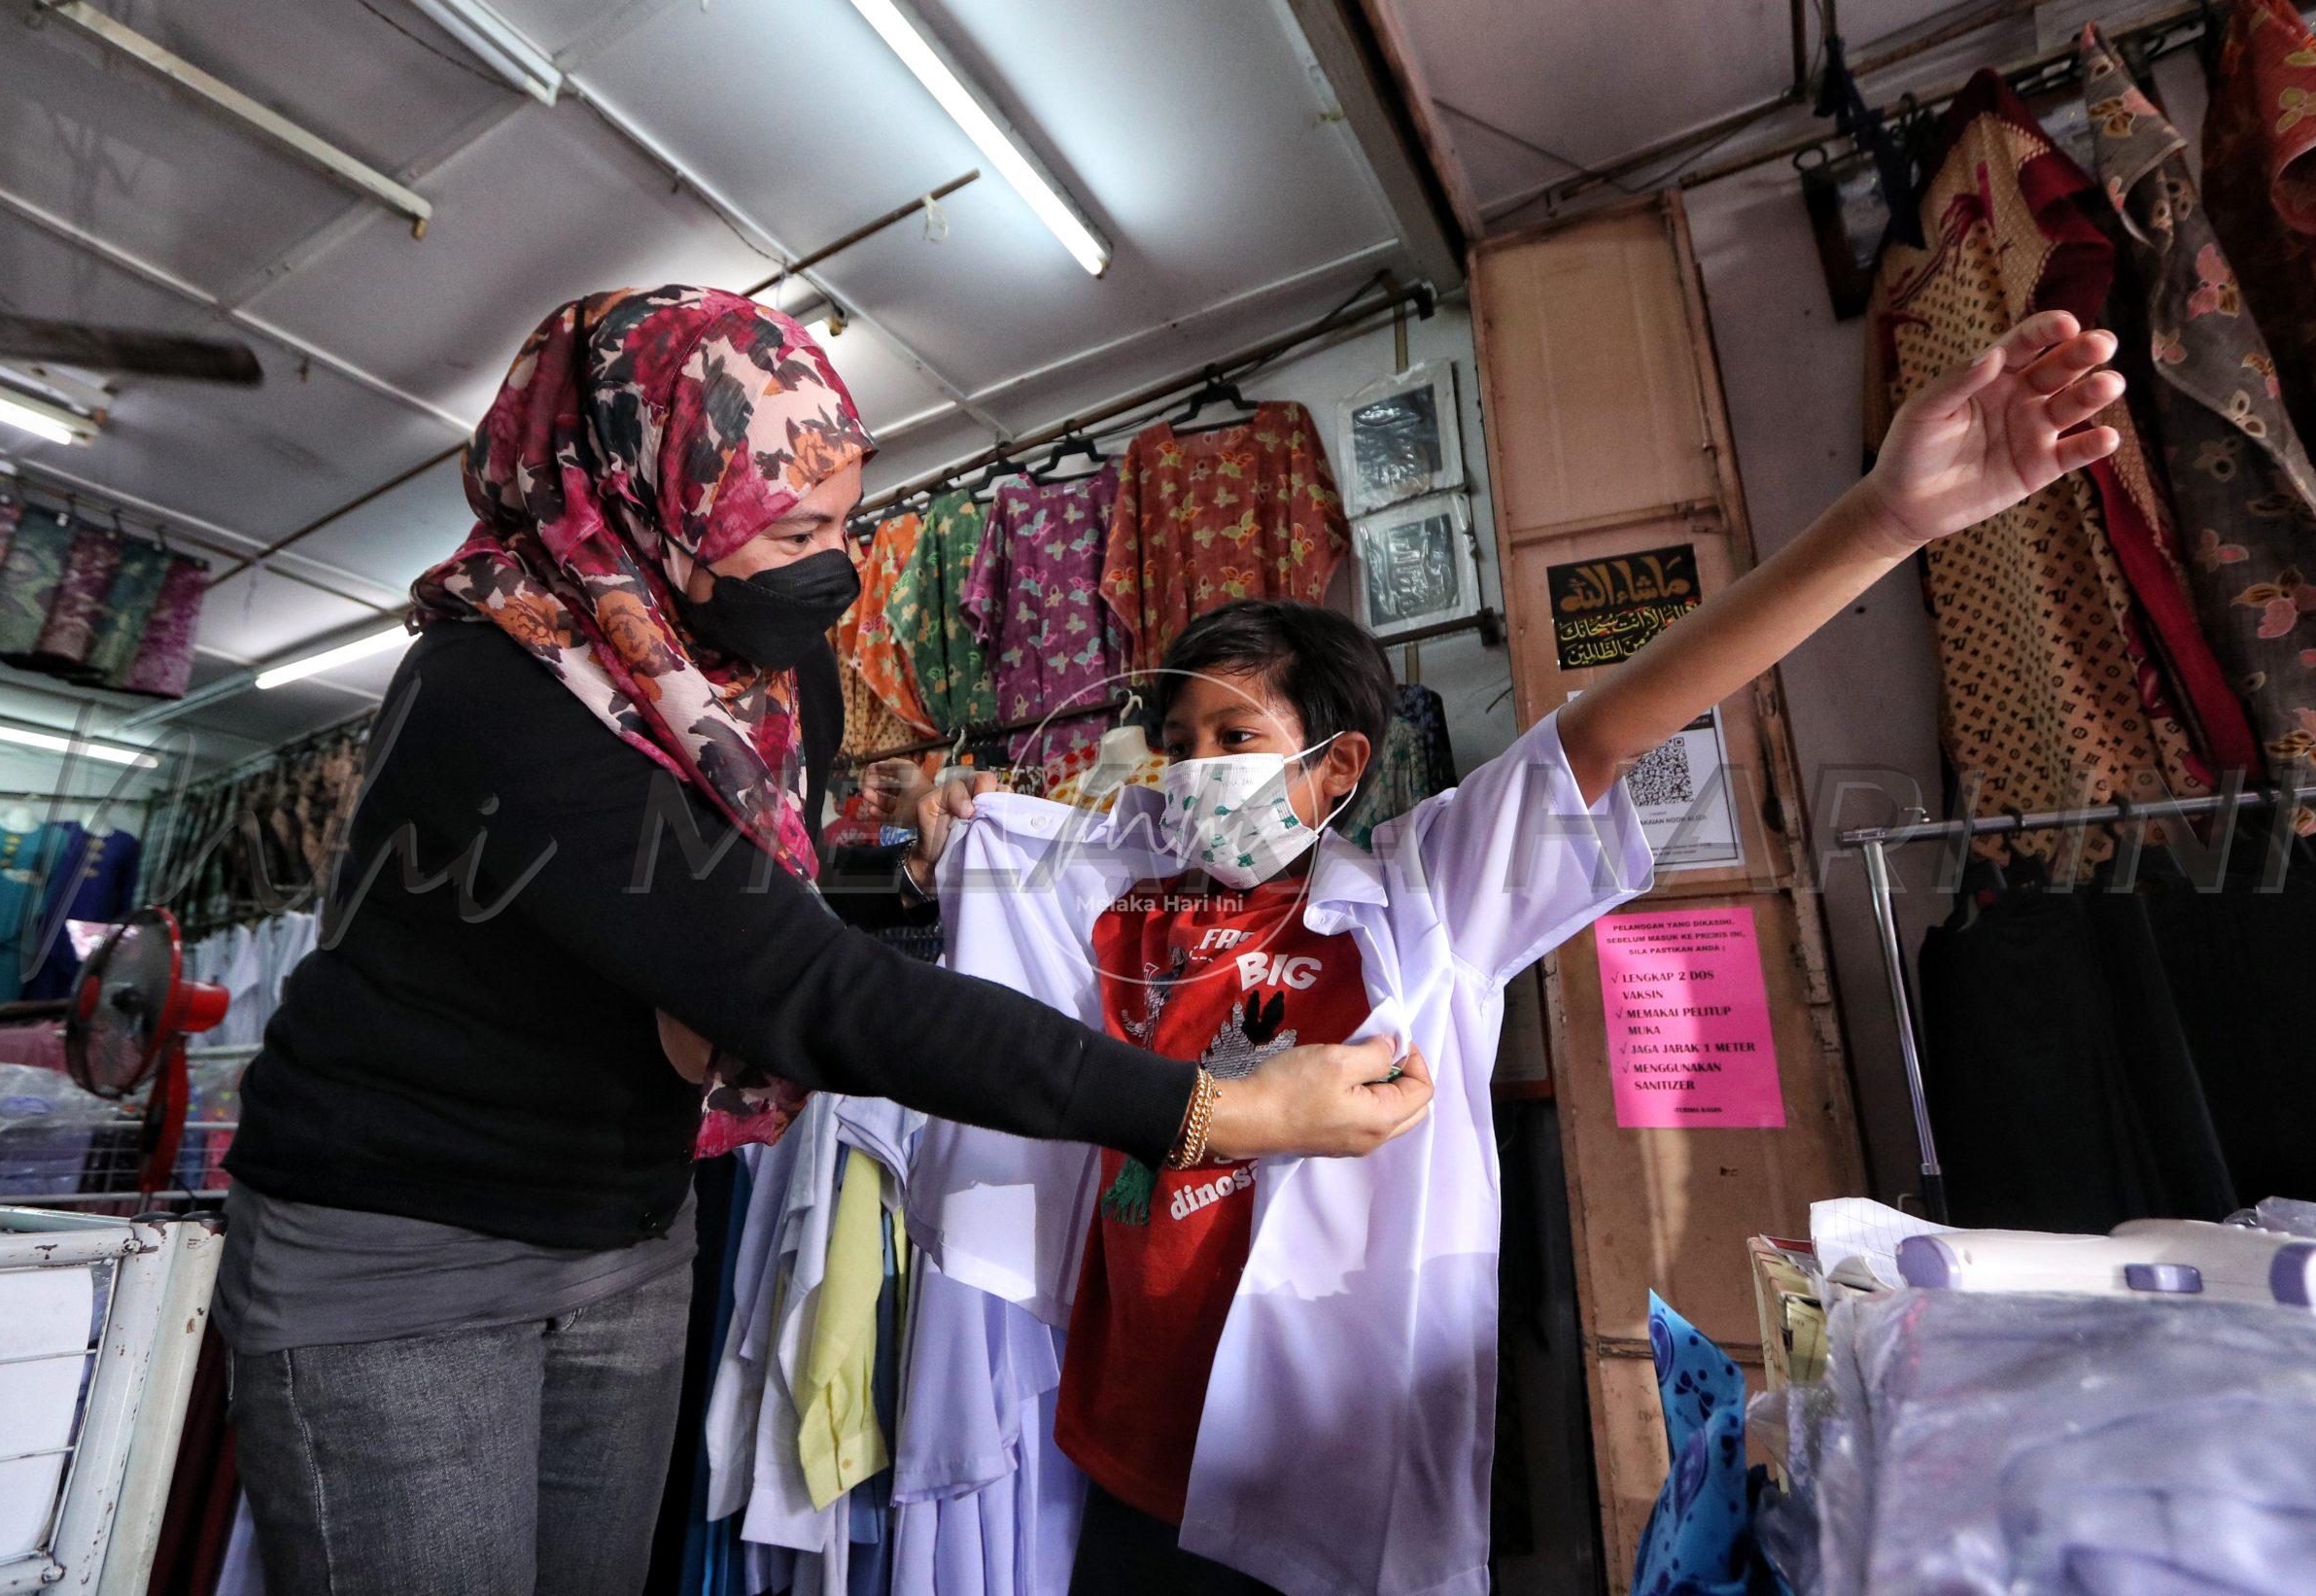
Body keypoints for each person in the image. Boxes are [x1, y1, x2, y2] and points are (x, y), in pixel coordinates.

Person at [212, 285, 1430, 1596]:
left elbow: (753, 901)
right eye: (794, 527)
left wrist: (925, 816)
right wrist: (1212, 1111)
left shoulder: (765, 679)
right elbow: (799, 982)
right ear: (652, 498)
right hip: (406, 1251)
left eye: (846, 520)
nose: (833, 566)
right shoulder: (492, 689)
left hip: (627, 1229)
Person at [902, 309, 2129, 1592]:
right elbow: (1006, 882)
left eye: (1238, 737)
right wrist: (949, 839)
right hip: (1123, 1436)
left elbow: (1609, 729)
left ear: (1337, 770)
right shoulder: (1125, 897)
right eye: (1186, 742)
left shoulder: (1427, 898)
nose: (1202, 771)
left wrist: (1883, 518)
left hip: (1310, 1467)